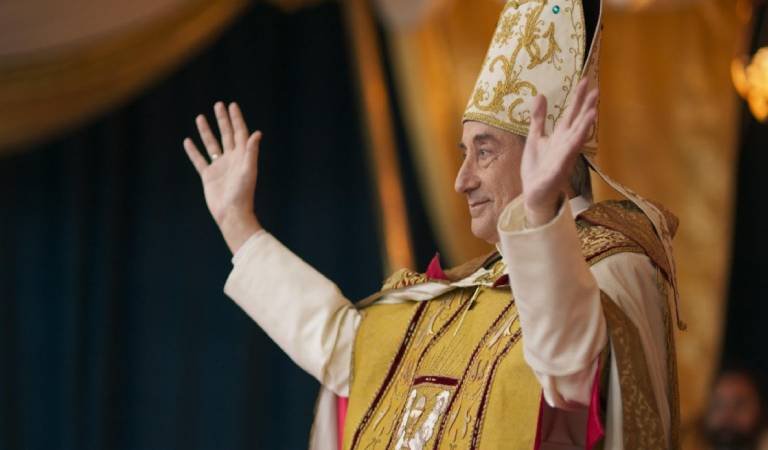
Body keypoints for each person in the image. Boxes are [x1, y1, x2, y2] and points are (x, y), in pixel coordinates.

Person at [182, 0, 681, 448]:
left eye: (484, 152)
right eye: (464, 153)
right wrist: (238, 225)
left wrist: (538, 214)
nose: (462, 180)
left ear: (548, 152)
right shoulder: (463, 297)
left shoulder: (613, 265)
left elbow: (569, 370)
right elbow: (347, 348)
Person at [686, 367, 768, 450]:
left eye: (739, 405)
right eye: (718, 405)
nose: (727, 416)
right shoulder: (690, 441)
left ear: (761, 410)